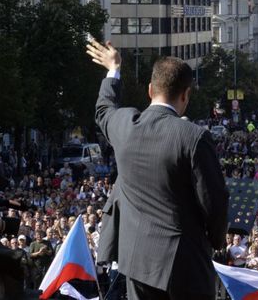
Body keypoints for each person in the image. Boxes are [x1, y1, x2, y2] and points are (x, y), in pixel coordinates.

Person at [87, 40, 229, 300]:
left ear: (150, 90)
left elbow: (104, 108)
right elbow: (215, 202)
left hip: (136, 261)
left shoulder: (125, 125)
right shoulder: (194, 137)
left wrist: (114, 69)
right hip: (184, 263)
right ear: (186, 95)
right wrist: (217, 241)